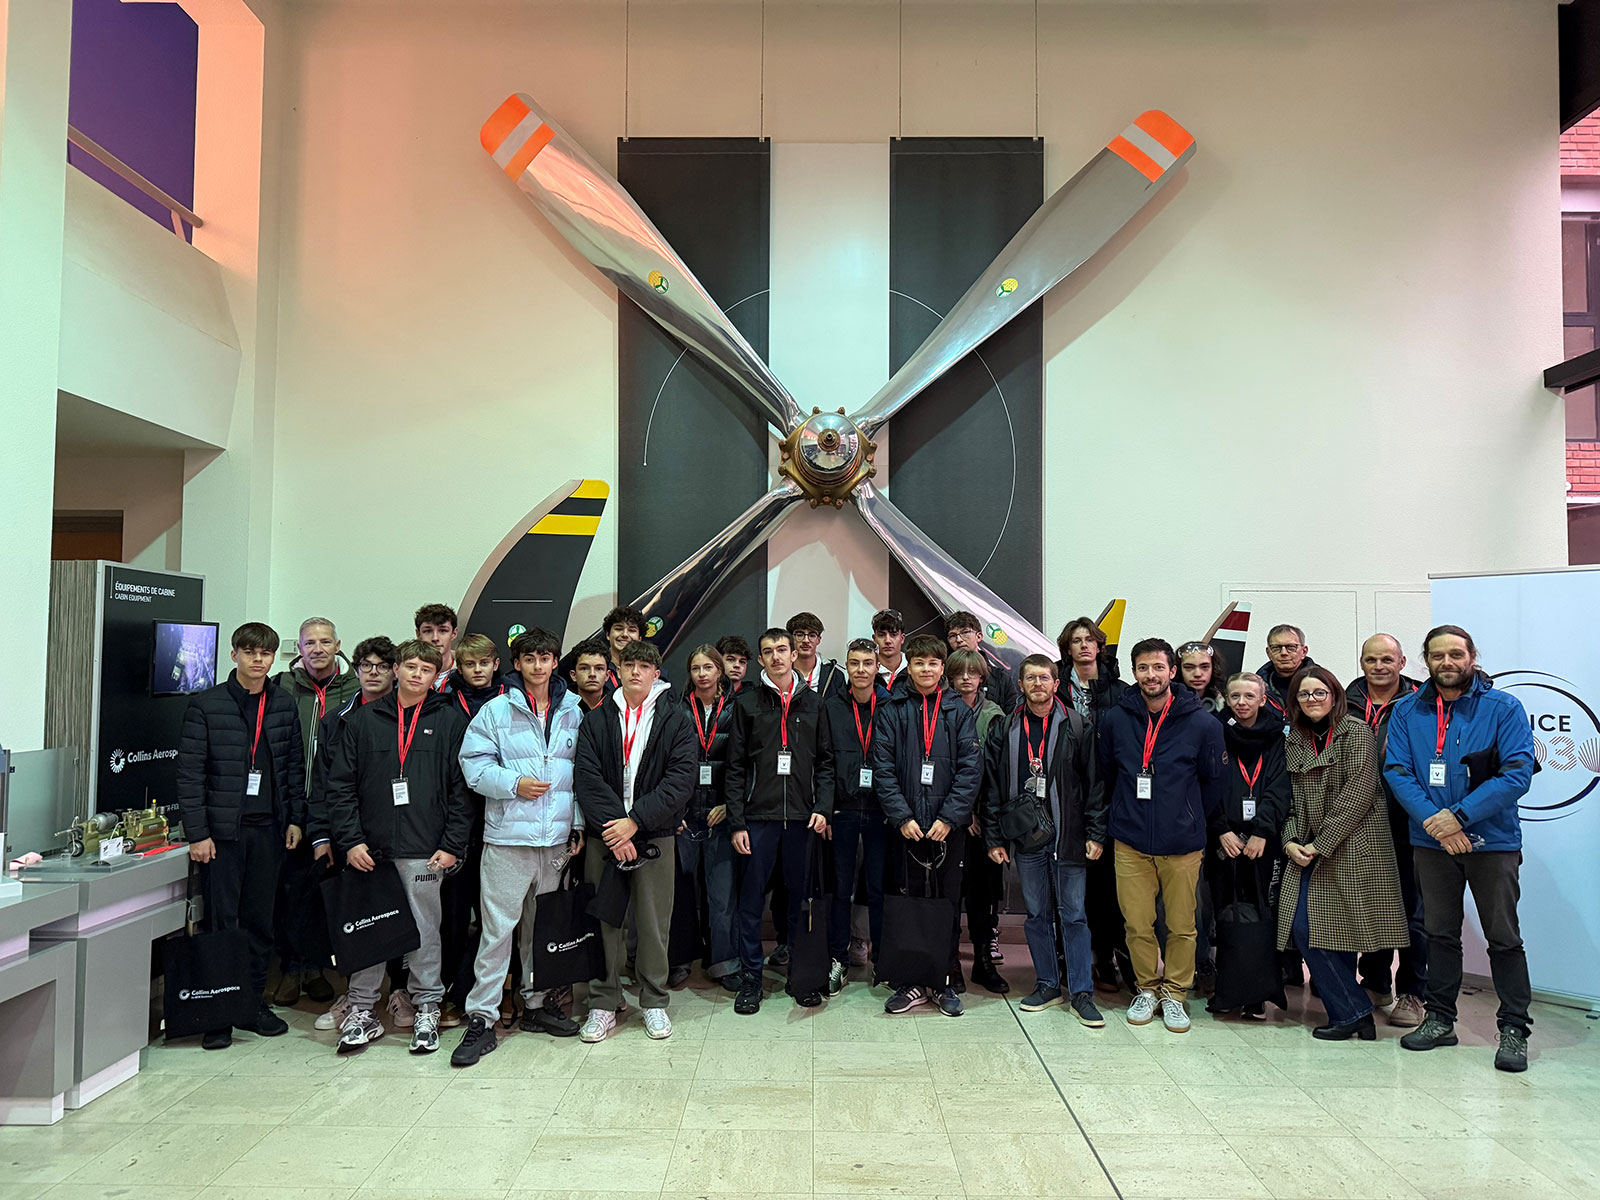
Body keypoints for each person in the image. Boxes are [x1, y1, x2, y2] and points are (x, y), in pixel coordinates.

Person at [1385, 625, 1537, 1072]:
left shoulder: (1503, 708)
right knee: (1439, 934)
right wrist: (1437, 824)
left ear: (1472, 657)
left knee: (1503, 938)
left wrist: (1460, 816)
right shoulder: (1406, 710)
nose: (1447, 662)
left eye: (1456, 654)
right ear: (1426, 660)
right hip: (1431, 842)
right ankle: (1439, 1019)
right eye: (1438, 655)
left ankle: (1514, 1029)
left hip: (1492, 842)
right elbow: (1397, 771)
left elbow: (1517, 774)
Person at [323, 639, 472, 1054]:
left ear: (435, 675)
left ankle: (426, 1007)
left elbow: (461, 792)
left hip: (426, 849)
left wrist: (452, 844)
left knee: (425, 931)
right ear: (396, 670)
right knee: (372, 930)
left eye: (426, 669)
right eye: (410, 667)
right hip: (371, 850)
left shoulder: (450, 720)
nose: (416, 675)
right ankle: (362, 1010)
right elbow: (340, 788)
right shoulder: (363, 721)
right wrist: (351, 841)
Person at [451, 627, 585, 1067]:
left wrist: (577, 824)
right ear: (517, 663)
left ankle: (536, 1004)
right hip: (508, 839)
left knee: (542, 931)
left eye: (545, 658)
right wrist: (513, 784)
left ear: (555, 662)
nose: (538, 665)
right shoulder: (495, 710)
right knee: (497, 933)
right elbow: (473, 766)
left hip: (556, 842)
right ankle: (482, 1019)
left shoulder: (573, 710)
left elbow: (582, 775)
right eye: (529, 658)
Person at [176, 622, 305, 1050]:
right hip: (222, 836)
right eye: (250, 652)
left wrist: (295, 819)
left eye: (265, 653)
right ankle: (219, 1012)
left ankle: (251, 1004)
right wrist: (198, 833)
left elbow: (292, 768)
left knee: (260, 924)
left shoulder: (283, 704)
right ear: (234, 655)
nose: (258, 660)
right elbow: (190, 774)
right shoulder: (206, 704)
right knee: (221, 923)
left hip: (268, 831)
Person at [1097, 637, 1226, 1033]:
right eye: (1143, 668)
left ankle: (1175, 993)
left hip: (1182, 844)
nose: (1150, 675)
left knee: (1182, 926)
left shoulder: (1203, 723)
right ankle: (1147, 988)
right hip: (1130, 840)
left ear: (1172, 672)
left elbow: (1213, 783)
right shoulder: (1116, 720)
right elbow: (1108, 774)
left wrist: (1186, 817)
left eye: (1158, 667)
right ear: (1134, 672)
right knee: (1137, 923)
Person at [1276, 666, 1409, 1042]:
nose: (1312, 700)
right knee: (1304, 927)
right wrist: (1290, 840)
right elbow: (1290, 799)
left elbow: (1359, 793)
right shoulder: (1294, 739)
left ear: (1334, 695)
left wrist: (1321, 843)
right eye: (1304, 694)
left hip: (1354, 846)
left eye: (1320, 692)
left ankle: (1350, 1013)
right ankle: (1354, 1011)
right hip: (1307, 846)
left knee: (1338, 931)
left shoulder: (1357, 732)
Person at [573, 640, 696, 1041]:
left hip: (654, 834)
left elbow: (680, 781)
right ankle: (603, 1003)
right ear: (619, 671)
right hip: (605, 837)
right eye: (629, 665)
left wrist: (636, 821)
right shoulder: (596, 719)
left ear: (656, 674)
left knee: (653, 923)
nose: (636, 672)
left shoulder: (676, 720)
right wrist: (617, 827)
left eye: (644, 666)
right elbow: (586, 778)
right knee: (605, 921)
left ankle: (655, 1001)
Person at [985, 654, 1105, 1026]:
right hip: (1027, 840)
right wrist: (994, 837)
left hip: (1069, 837)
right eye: (1031, 678)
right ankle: (1048, 984)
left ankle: (1081, 992)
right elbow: (992, 787)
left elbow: (1095, 784)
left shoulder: (1077, 726)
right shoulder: (1005, 728)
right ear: (1020, 685)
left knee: (1074, 916)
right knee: (1037, 916)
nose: (1038, 684)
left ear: (1056, 683)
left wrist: (1096, 833)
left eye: (1044, 678)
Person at [724, 627, 834, 1014]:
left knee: (800, 901)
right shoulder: (747, 703)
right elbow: (735, 768)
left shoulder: (815, 703)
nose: (776, 657)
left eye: (782, 649)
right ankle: (751, 979)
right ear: (760, 659)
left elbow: (827, 763)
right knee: (751, 902)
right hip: (759, 818)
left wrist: (823, 807)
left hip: (803, 819)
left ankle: (800, 976)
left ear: (793, 654)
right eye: (768, 651)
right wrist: (737, 822)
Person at [873, 634, 981, 1017]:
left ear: (942, 667)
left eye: (933, 663)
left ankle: (943, 980)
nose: (926, 669)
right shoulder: (892, 709)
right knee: (908, 903)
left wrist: (949, 818)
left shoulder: (958, 711)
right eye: (919, 663)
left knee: (946, 904)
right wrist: (901, 816)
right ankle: (911, 981)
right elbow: (882, 767)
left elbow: (970, 769)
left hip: (946, 828)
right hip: (906, 827)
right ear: (910, 665)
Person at [307, 635, 396, 1033]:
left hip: (403, 834)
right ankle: (357, 999)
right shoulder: (337, 719)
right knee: (361, 920)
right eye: (366, 666)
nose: (374, 673)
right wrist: (323, 835)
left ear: (395, 671)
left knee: (407, 920)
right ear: (356, 670)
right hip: (352, 836)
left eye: (382, 666)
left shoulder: (410, 715)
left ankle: (400, 994)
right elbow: (324, 784)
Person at [269, 617, 359, 1006]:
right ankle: (294, 968)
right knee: (291, 891)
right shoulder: (281, 687)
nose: (318, 649)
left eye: (325, 641)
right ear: (299, 648)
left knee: (328, 890)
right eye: (309, 643)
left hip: (337, 807)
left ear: (338, 645)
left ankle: (322, 966)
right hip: (290, 805)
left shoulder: (356, 688)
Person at [1347, 633, 1427, 1027]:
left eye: (1386, 659)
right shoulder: (1344, 702)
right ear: (1362, 662)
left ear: (1402, 662)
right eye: (1371, 659)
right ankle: (1375, 981)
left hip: (1408, 818)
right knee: (1372, 905)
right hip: (1360, 821)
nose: (1378, 666)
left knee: (1414, 911)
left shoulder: (1422, 702)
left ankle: (1413, 991)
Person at [1056, 616, 1133, 994]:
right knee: (1066, 883)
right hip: (1063, 791)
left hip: (1110, 792)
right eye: (1077, 640)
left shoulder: (1120, 690)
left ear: (1100, 647)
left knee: (1106, 887)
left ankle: (1105, 956)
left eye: (1090, 640)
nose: (1084, 646)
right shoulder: (1055, 688)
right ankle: (1065, 958)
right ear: (1067, 648)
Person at [1210, 672, 1291, 1019]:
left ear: (1262, 699)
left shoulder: (1278, 737)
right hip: (1224, 841)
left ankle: (1257, 992)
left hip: (1263, 842)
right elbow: (1207, 782)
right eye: (1235, 696)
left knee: (1262, 914)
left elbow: (1279, 788)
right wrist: (1221, 829)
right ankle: (1228, 988)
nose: (1241, 703)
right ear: (1226, 699)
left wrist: (1262, 832)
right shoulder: (1215, 733)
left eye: (1249, 696)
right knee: (1226, 915)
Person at [823, 638, 891, 990]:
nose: (861, 669)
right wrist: (826, 809)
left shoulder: (892, 705)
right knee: (840, 889)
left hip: (882, 812)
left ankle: (883, 961)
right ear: (846, 666)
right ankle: (838, 958)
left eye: (867, 663)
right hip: (843, 810)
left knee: (879, 889)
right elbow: (823, 762)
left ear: (878, 667)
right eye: (854, 663)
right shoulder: (832, 706)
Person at [675, 644, 740, 990]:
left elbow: (743, 763)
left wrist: (730, 804)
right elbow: (667, 765)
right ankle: (679, 959)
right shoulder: (676, 709)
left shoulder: (736, 708)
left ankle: (723, 962)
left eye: (708, 668)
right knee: (680, 895)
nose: (702, 674)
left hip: (721, 816)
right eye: (696, 668)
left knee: (721, 897)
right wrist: (676, 809)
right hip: (685, 817)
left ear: (719, 671)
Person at [946, 648, 1009, 995]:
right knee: (950, 893)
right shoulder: (942, 710)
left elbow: (995, 771)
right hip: (950, 818)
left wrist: (980, 812)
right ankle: (950, 962)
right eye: (960, 673)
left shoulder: (993, 715)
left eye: (972, 672)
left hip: (986, 820)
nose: (966, 678)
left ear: (982, 676)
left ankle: (983, 961)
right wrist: (962, 810)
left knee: (983, 894)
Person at [944, 610, 1021, 713]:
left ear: (979, 636)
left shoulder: (1001, 679)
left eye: (965, 632)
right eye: (953, 635)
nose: (959, 640)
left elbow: (1013, 717)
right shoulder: (943, 677)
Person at [787, 611, 849, 700]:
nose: (806, 640)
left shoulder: (835, 676)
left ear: (818, 640)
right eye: (800, 635)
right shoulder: (780, 671)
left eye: (812, 635)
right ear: (791, 639)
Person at [1258, 623, 1313, 718]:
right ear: (1268, 653)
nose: (1283, 653)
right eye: (1276, 648)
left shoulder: (1323, 683)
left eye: (1291, 647)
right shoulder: (1256, 686)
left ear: (1304, 652)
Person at [600, 604, 646, 691]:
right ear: (608, 635)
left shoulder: (650, 671)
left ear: (639, 638)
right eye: (618, 629)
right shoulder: (595, 668)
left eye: (632, 630)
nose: (625, 634)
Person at [1177, 640, 1228, 716]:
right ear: (1178, 669)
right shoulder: (1165, 702)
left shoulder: (1223, 704)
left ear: (1213, 668)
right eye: (1189, 667)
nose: (1197, 674)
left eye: (1204, 667)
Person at [415, 603, 459, 690]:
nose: (435, 638)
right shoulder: (406, 673)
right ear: (418, 634)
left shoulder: (467, 672)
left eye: (443, 630)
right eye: (428, 631)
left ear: (454, 633)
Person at [872, 609, 909, 695]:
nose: (888, 641)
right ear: (874, 639)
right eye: (881, 635)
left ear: (902, 638)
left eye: (893, 634)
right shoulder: (867, 670)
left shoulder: (914, 669)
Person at [567, 639, 610, 712]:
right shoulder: (562, 705)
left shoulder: (616, 704)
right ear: (573, 675)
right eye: (584, 668)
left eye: (599, 669)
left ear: (607, 675)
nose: (592, 674)